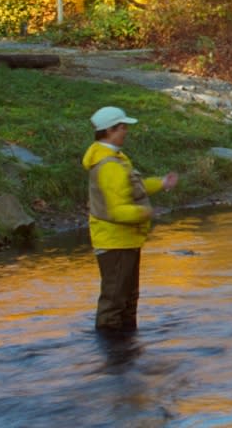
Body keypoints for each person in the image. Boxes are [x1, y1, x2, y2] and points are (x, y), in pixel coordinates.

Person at [83, 106, 178, 334]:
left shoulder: (116, 158)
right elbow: (117, 211)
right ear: (109, 131)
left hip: (125, 240)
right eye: (123, 127)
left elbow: (132, 188)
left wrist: (161, 183)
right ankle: (113, 348)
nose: (126, 131)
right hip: (114, 242)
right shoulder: (109, 166)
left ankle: (125, 347)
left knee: (127, 299)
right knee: (115, 300)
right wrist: (146, 213)